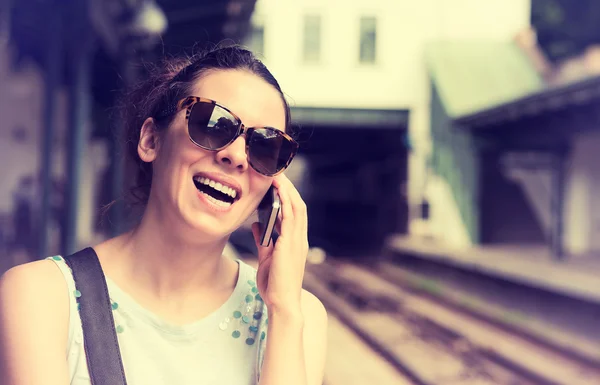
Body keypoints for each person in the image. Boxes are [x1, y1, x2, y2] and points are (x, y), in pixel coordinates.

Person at [0, 46, 328, 385]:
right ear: (151, 139)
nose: (236, 157)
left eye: (264, 146)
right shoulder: (41, 297)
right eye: (213, 124)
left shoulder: (297, 316)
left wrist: (285, 314)